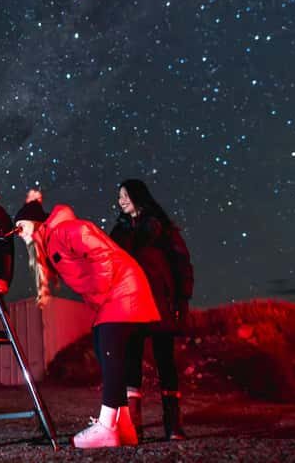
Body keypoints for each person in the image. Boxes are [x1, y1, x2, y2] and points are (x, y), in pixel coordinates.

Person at [13, 189, 161, 448]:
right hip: (116, 291)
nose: (19, 233)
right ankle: (123, 426)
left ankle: (107, 426)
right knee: (105, 349)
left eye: (21, 226)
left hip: (120, 289)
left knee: (110, 354)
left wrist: (101, 292)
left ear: (35, 222)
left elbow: (101, 254)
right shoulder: (50, 241)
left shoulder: (66, 230)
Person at [110, 179, 193, 441]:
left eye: (125, 195)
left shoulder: (162, 228)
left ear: (138, 196)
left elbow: (181, 263)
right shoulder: (118, 232)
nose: (121, 200)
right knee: (131, 361)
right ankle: (134, 425)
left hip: (160, 302)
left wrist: (182, 298)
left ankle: (173, 424)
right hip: (130, 303)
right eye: (119, 196)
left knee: (165, 360)